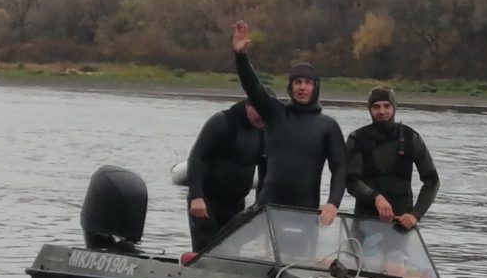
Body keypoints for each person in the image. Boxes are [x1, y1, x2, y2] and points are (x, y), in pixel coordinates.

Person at [231, 20, 346, 226]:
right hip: (266, 207)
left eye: (308, 83)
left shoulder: (328, 126)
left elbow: (340, 167)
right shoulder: (277, 114)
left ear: (315, 88)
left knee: (297, 259)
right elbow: (254, 88)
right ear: (290, 88)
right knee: (222, 244)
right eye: (298, 82)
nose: (303, 87)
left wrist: (333, 203)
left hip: (305, 212)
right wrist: (241, 56)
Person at [345, 87, 440, 231]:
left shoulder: (410, 138)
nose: (382, 111)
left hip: (401, 224)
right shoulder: (357, 139)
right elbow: (350, 181)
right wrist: (375, 197)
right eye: (376, 107)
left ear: (394, 108)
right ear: (370, 109)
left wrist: (415, 215)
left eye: (386, 106)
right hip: (365, 223)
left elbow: (432, 181)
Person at [185, 98, 267, 252]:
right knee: (207, 252)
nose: (261, 117)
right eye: (258, 111)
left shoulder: (264, 130)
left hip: (235, 204)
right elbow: (196, 158)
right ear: (248, 106)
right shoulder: (222, 121)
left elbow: (265, 171)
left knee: (231, 252)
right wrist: (196, 196)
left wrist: (259, 205)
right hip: (206, 202)